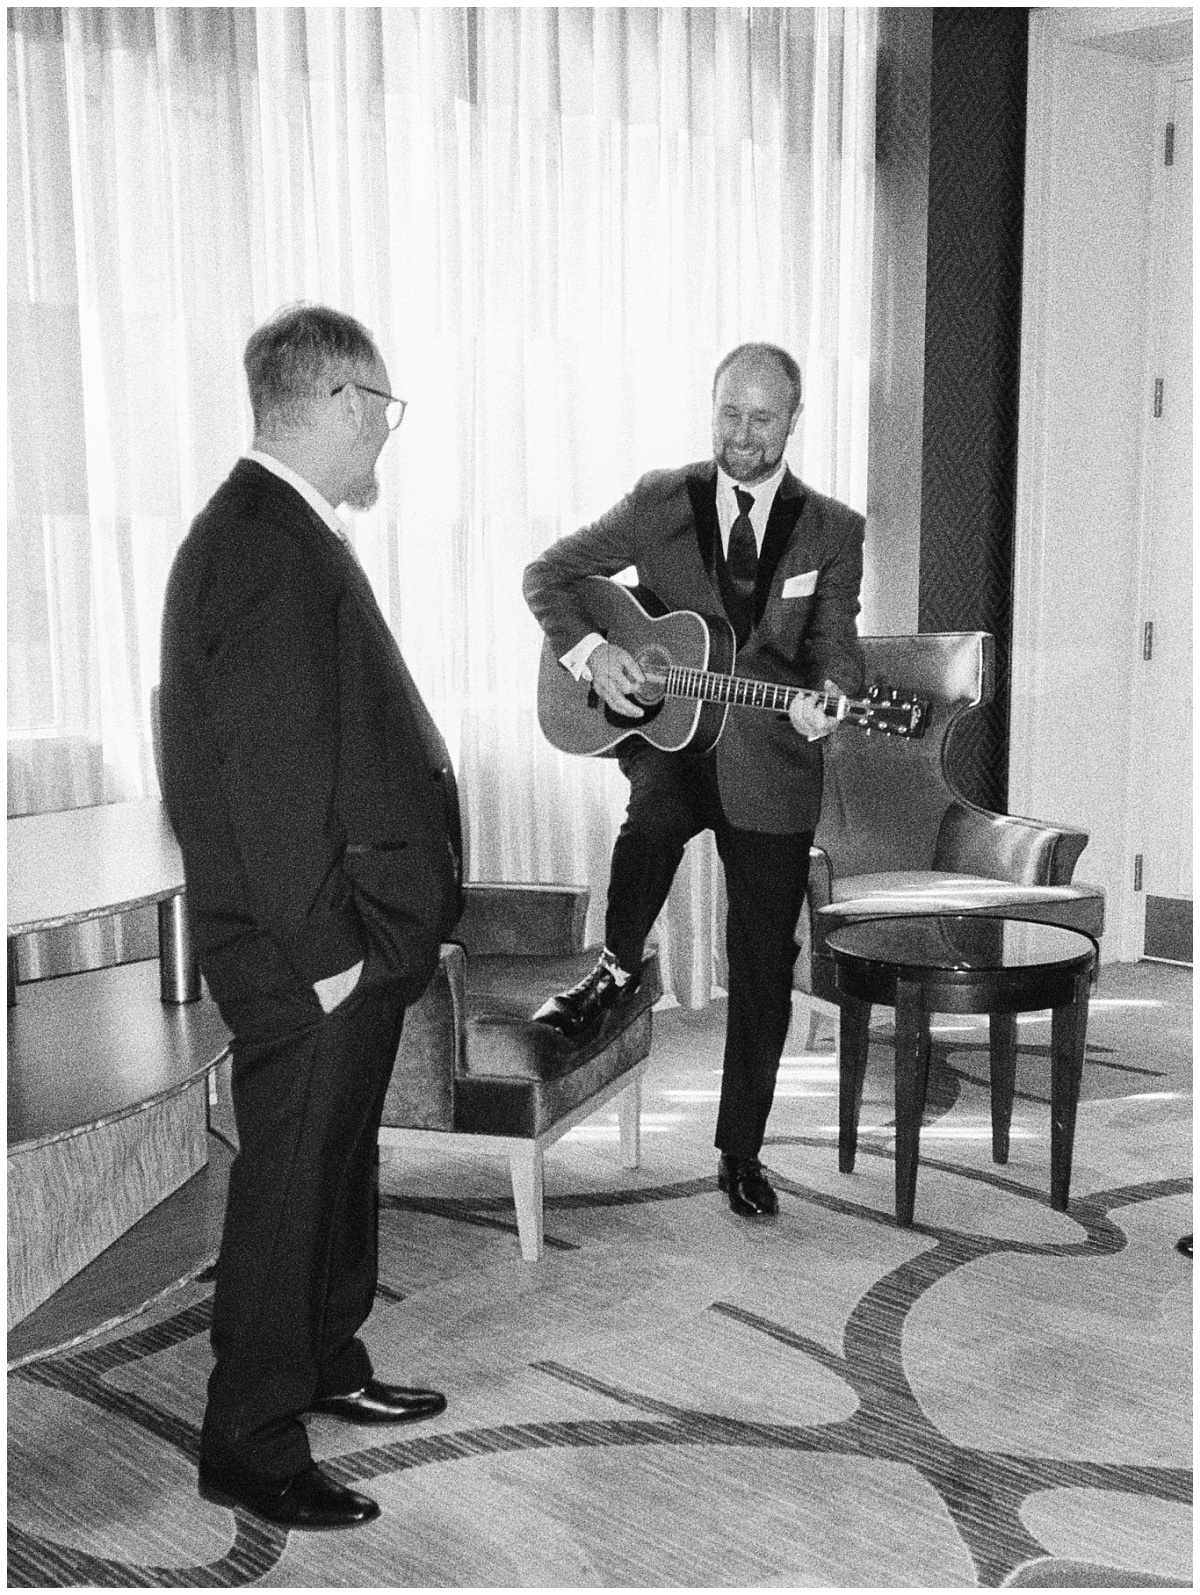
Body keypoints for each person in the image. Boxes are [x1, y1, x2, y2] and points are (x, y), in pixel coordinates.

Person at [159, 305, 463, 1531]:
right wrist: (332, 953)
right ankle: (250, 1435)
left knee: (337, 1160)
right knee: (288, 1182)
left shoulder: (277, 530)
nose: (386, 434)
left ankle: (328, 1358)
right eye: (383, 410)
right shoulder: (264, 543)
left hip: (346, 928)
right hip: (311, 946)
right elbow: (266, 778)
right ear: (339, 401)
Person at [523, 342, 864, 1220]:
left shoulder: (832, 529)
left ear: (794, 419)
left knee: (759, 963)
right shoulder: (657, 502)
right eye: (728, 413)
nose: (741, 435)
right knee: (656, 813)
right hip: (670, 736)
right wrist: (594, 654)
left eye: (760, 417)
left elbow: (834, 643)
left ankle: (740, 1151)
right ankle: (612, 965)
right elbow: (549, 574)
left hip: (772, 760)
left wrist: (831, 696)